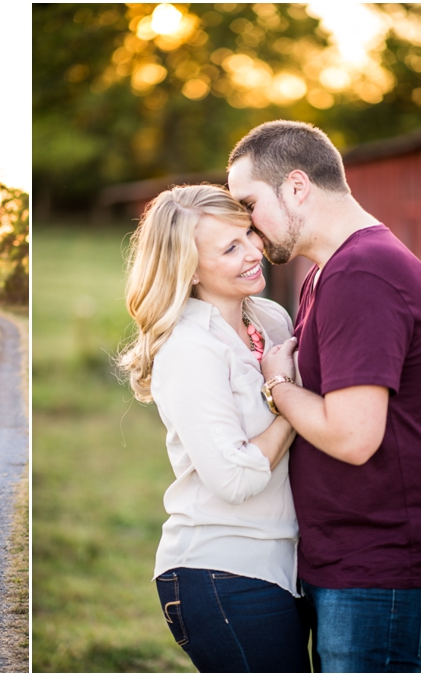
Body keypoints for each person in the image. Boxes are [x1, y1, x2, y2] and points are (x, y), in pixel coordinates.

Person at [227, 119, 421, 673]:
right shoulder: (328, 271)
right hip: (354, 551)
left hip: (385, 558)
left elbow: (352, 435)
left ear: (296, 187)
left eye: (248, 202)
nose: (246, 223)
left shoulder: (362, 272)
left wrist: (277, 383)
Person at [117, 184, 310, 672]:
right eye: (230, 248)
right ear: (189, 268)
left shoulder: (270, 318)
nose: (253, 252)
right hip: (221, 572)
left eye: (248, 233)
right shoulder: (188, 348)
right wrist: (283, 394)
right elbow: (235, 477)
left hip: (283, 564)